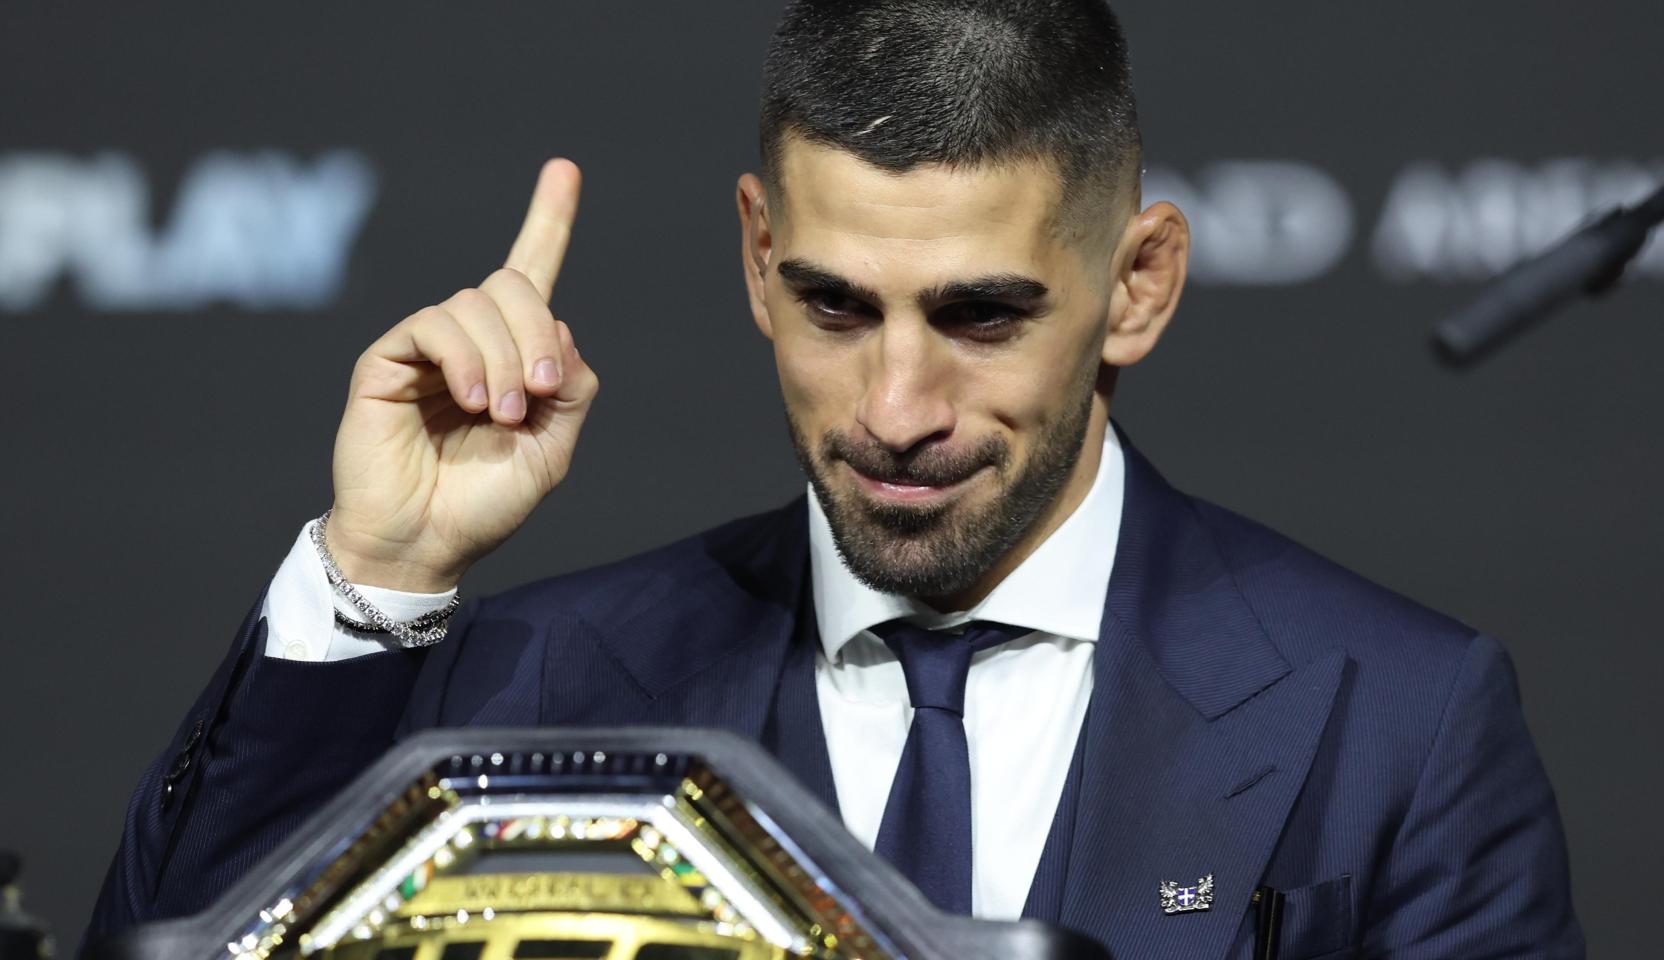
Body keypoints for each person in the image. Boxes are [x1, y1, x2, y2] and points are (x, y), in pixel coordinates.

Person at [84, 1, 1583, 957]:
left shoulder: (1398, 717)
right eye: (834, 304)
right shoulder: (530, 683)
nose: (895, 406)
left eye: (981, 314)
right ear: (755, 255)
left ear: (1137, 285)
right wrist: (379, 575)